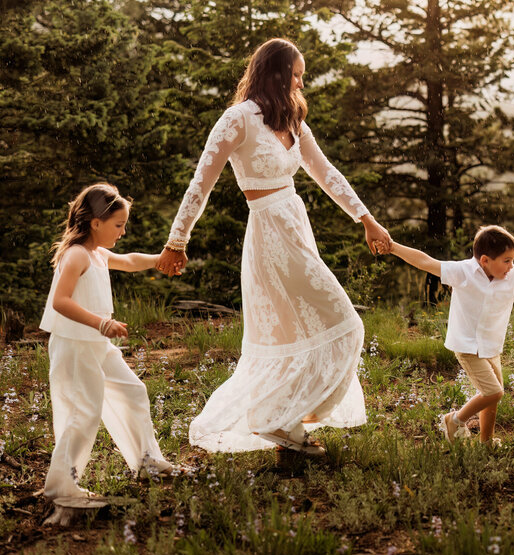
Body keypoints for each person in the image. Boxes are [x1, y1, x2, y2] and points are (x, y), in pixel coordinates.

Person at [157, 38, 392, 455]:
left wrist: (367, 220)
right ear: (276, 73)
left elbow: (327, 173)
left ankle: (285, 423)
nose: (301, 83)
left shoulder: (294, 121)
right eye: (296, 74)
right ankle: (282, 424)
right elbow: (201, 184)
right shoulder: (238, 119)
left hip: (296, 226)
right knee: (342, 323)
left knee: (311, 329)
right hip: (268, 233)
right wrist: (177, 241)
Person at [381, 225, 514, 444]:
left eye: (513, 260)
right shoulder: (463, 272)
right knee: (493, 392)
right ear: (485, 260)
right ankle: (454, 420)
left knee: (492, 397)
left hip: (491, 347)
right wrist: (392, 247)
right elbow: (426, 262)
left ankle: (486, 442)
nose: (512, 265)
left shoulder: (511, 278)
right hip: (467, 347)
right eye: (507, 260)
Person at [40, 183, 179, 499]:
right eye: (118, 225)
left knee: (133, 391)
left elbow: (129, 261)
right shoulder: (76, 255)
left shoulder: (98, 253)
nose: (123, 231)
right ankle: (61, 485)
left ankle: (149, 461)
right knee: (83, 412)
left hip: (95, 345)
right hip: (75, 345)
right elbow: (60, 301)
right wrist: (101, 323)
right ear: (95, 222)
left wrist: (163, 258)